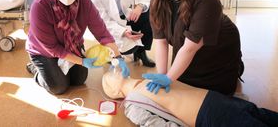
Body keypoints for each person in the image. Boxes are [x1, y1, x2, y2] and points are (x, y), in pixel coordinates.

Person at [25, 0, 129, 95]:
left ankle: (54, 72)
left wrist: (119, 58)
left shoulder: (85, 3)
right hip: (44, 51)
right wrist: (81, 61)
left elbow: (102, 33)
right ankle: (36, 70)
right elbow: (51, 48)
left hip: (72, 46)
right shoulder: (40, 6)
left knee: (78, 80)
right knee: (58, 87)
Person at [145, 0, 243, 95]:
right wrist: (162, 75)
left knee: (213, 93)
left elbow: (190, 49)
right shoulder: (158, 1)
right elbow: (161, 42)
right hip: (188, 47)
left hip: (218, 50)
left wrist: (169, 78)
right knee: (181, 81)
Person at [102, 71, 278, 127]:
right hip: (207, 115)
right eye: (110, 76)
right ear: (114, 92)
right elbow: (156, 125)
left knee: (258, 114)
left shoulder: (151, 77)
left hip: (215, 99)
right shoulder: (132, 105)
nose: (114, 70)